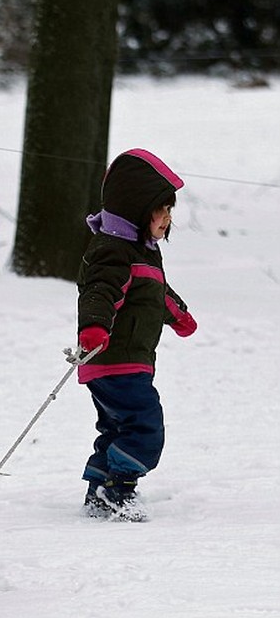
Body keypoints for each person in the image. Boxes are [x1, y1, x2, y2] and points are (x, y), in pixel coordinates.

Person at [76, 148, 197, 522]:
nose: (167, 219)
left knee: (117, 426)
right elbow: (100, 291)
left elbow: (155, 291)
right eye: (162, 210)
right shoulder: (112, 251)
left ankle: (98, 486)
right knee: (145, 426)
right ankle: (119, 488)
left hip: (123, 362)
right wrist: (93, 329)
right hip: (115, 360)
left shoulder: (141, 252)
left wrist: (179, 316)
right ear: (137, 208)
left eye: (170, 211)